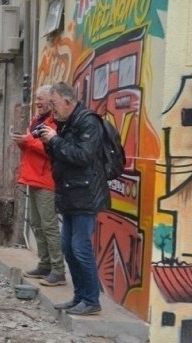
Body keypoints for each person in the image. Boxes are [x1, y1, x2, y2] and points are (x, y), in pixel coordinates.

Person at [38, 82, 110, 316]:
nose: (52, 110)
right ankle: (80, 297)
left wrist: (56, 140)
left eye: (54, 104)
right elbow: (61, 155)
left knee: (80, 247)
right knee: (68, 247)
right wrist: (49, 142)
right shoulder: (67, 122)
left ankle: (91, 299)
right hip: (71, 193)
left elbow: (82, 156)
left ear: (68, 101)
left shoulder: (88, 121)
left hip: (86, 195)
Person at [12, 85, 66, 287]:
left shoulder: (55, 124)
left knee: (49, 225)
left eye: (41, 99)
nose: (37, 102)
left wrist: (28, 140)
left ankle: (58, 270)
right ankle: (45, 264)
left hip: (46, 180)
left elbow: (51, 150)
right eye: (36, 99)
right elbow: (34, 146)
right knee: (36, 223)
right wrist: (22, 141)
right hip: (33, 177)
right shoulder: (38, 121)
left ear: (51, 102)